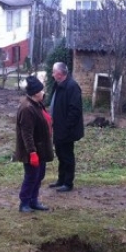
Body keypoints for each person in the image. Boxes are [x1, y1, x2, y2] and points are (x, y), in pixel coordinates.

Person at [14, 75, 55, 213]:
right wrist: (32, 153)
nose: (43, 92)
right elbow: (27, 133)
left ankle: (33, 200)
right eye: (42, 90)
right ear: (35, 92)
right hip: (32, 150)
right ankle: (24, 203)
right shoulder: (27, 108)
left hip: (41, 148)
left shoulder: (37, 104)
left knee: (39, 175)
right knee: (31, 176)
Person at [49, 61, 84, 192]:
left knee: (67, 155)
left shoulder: (72, 86)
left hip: (67, 130)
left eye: (54, 72)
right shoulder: (58, 85)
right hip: (58, 127)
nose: (52, 74)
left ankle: (68, 183)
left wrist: (66, 126)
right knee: (60, 153)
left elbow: (75, 110)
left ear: (59, 73)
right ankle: (61, 179)